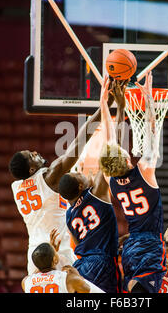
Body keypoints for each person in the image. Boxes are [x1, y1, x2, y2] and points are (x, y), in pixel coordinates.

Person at [9, 83, 116, 275]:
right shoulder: (50, 177)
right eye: (31, 155)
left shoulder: (17, 187)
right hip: (57, 250)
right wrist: (104, 107)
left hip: (34, 253)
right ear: (32, 168)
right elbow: (79, 142)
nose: (35, 151)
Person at [98, 71, 166, 293]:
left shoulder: (112, 181)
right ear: (126, 158)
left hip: (130, 246)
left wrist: (104, 104)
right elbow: (152, 132)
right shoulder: (144, 171)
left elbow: (108, 139)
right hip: (149, 245)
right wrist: (148, 99)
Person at [58, 76, 125, 293]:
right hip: (101, 264)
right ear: (79, 187)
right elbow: (113, 150)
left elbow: (77, 244)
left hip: (81, 265)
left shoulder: (69, 213)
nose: (84, 173)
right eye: (80, 175)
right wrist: (118, 108)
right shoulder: (96, 193)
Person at [21, 229, 104, 293]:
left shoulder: (26, 282)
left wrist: (52, 253)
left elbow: (40, 269)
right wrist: (77, 274)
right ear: (55, 260)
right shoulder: (69, 279)